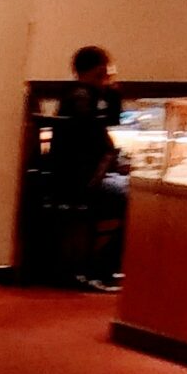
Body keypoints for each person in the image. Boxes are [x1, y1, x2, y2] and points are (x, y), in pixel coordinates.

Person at [48, 46, 127, 289]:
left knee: (128, 193)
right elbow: (97, 137)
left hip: (70, 177)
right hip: (83, 180)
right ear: (99, 69)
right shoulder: (85, 98)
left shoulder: (73, 95)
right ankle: (101, 267)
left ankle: (102, 266)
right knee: (137, 199)